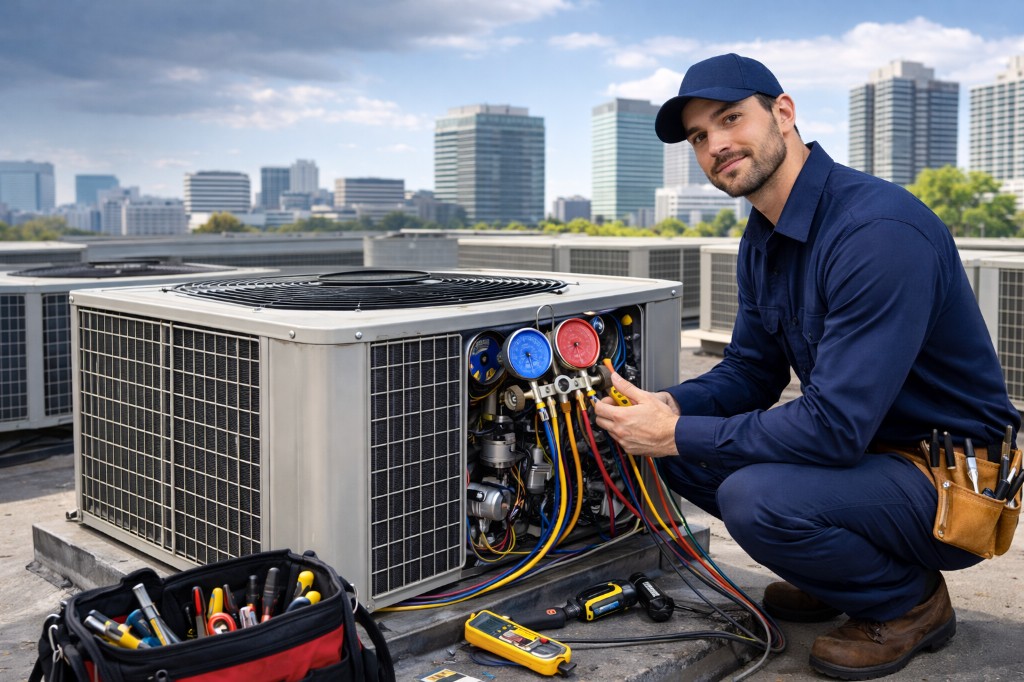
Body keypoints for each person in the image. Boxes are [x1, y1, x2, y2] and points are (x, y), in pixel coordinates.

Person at [592, 53, 1020, 680]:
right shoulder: (763, 236)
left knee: (753, 497)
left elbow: (834, 427)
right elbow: (751, 371)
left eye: (730, 119)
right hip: (867, 455)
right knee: (666, 450)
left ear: (784, 113)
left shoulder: (877, 231)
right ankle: (839, 573)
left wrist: (675, 431)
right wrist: (667, 409)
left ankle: (909, 603)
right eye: (699, 137)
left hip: (952, 477)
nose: (716, 145)